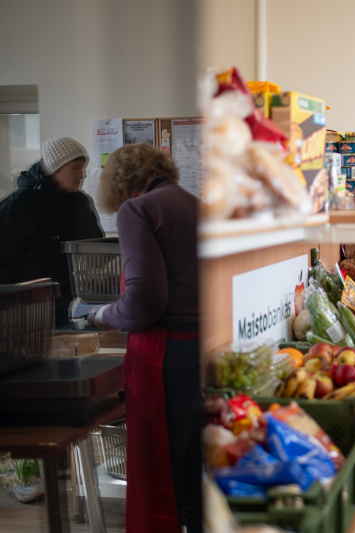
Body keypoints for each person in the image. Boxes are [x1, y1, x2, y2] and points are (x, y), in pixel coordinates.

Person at [91, 143, 201, 533]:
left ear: (120, 185)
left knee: (160, 477)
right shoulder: (196, 204)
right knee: (194, 480)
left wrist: (100, 315)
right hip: (204, 356)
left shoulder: (137, 209)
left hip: (166, 358)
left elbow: (143, 301)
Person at [0, 137, 103, 326]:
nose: (82, 175)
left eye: (83, 168)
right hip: (18, 315)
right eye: (75, 168)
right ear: (53, 168)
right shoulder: (18, 206)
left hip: (63, 309)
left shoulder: (81, 204)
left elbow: (96, 247)